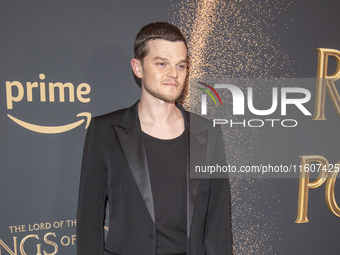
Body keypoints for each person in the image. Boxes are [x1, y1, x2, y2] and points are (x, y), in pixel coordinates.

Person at [76, 22, 232, 255]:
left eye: (181, 65)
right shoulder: (105, 131)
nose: (173, 74)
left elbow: (218, 224)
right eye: (162, 63)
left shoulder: (208, 132)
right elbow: (89, 220)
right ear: (138, 68)